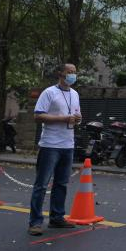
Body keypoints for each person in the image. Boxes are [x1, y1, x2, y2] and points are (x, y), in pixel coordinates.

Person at [28, 64, 82, 235]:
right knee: (41, 185)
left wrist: (78, 118)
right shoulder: (49, 92)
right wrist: (63, 118)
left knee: (62, 183)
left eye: (74, 72)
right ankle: (35, 222)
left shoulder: (75, 94)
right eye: (69, 72)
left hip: (68, 144)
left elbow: (76, 115)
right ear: (60, 73)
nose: (72, 75)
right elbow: (38, 115)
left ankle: (57, 218)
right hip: (50, 145)